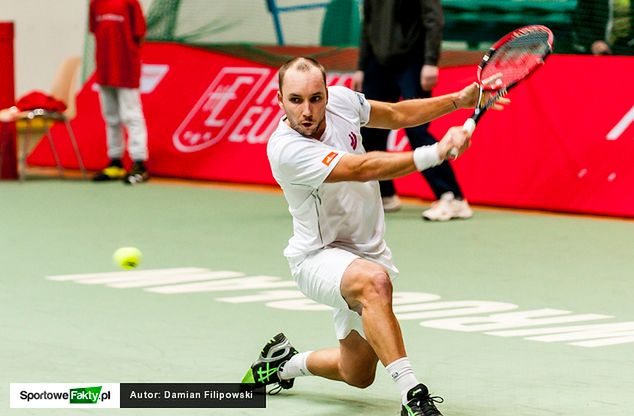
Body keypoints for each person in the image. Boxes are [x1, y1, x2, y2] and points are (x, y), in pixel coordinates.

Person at [241, 57, 507, 416]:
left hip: (367, 251)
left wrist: (457, 100)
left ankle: (282, 364)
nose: (307, 110)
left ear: (325, 93)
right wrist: (436, 152)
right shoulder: (286, 149)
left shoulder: (341, 101)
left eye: (315, 98)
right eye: (296, 100)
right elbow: (360, 168)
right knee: (374, 283)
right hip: (318, 257)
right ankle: (413, 396)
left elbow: (397, 115)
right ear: (279, 100)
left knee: (357, 373)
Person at [352, 0, 471, 221]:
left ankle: (453, 198)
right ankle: (384, 194)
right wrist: (361, 67)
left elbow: (434, 20)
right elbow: (368, 23)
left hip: (413, 62)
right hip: (378, 63)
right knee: (368, 128)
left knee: (416, 128)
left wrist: (430, 61)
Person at [89, 0, 149, 184]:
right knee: (111, 116)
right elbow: (95, 30)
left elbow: (139, 33)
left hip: (125, 69)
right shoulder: (96, 3)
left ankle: (139, 163)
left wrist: (126, 57)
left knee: (131, 115)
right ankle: (115, 161)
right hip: (105, 69)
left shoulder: (130, 3)